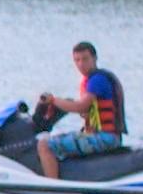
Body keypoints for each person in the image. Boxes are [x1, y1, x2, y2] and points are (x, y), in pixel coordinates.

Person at [35, 40, 125, 179]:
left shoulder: (97, 80)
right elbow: (87, 111)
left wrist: (53, 100)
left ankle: (52, 187)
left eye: (85, 59)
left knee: (44, 145)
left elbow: (80, 107)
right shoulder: (91, 80)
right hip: (104, 136)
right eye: (77, 60)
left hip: (105, 138)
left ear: (94, 58)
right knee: (60, 136)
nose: (81, 64)